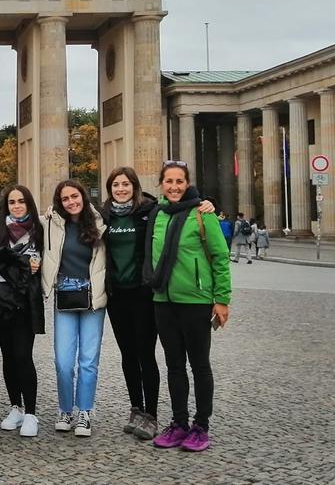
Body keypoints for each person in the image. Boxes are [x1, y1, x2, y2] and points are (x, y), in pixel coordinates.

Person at [102, 166, 206, 440]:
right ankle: (136, 408)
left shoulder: (150, 211)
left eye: (126, 184)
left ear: (135, 187)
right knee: (127, 355)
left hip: (143, 294)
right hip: (116, 295)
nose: (121, 189)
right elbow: (72, 217)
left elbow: (178, 204)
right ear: (109, 189)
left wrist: (203, 202)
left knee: (145, 354)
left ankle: (151, 415)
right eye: (116, 185)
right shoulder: (103, 215)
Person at [146, 161, 232, 453]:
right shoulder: (157, 214)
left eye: (179, 181)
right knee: (174, 366)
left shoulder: (203, 214)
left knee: (199, 365)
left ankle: (201, 426)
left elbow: (220, 257)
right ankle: (179, 423)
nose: (174, 187)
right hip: (163, 300)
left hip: (195, 300)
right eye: (169, 181)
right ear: (161, 184)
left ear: (187, 183)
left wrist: (222, 299)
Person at [0, 184, 46, 437]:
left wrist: (14, 265)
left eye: (21, 201)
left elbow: (45, 263)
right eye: (12, 202)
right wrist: (19, 267)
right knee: (7, 356)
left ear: (29, 204)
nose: (17, 206)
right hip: (1, 301)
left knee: (23, 355)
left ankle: (31, 413)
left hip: (26, 301)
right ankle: (15, 407)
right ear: (6, 206)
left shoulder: (40, 230)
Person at [43, 179, 108, 438]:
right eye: (65, 198)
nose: (71, 202)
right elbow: (21, 224)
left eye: (75, 196)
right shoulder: (52, 223)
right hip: (65, 295)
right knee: (63, 361)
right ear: (59, 202)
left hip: (93, 296)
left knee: (89, 360)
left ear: (83, 196)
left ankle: (85, 411)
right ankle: (65, 409)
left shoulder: (100, 221)